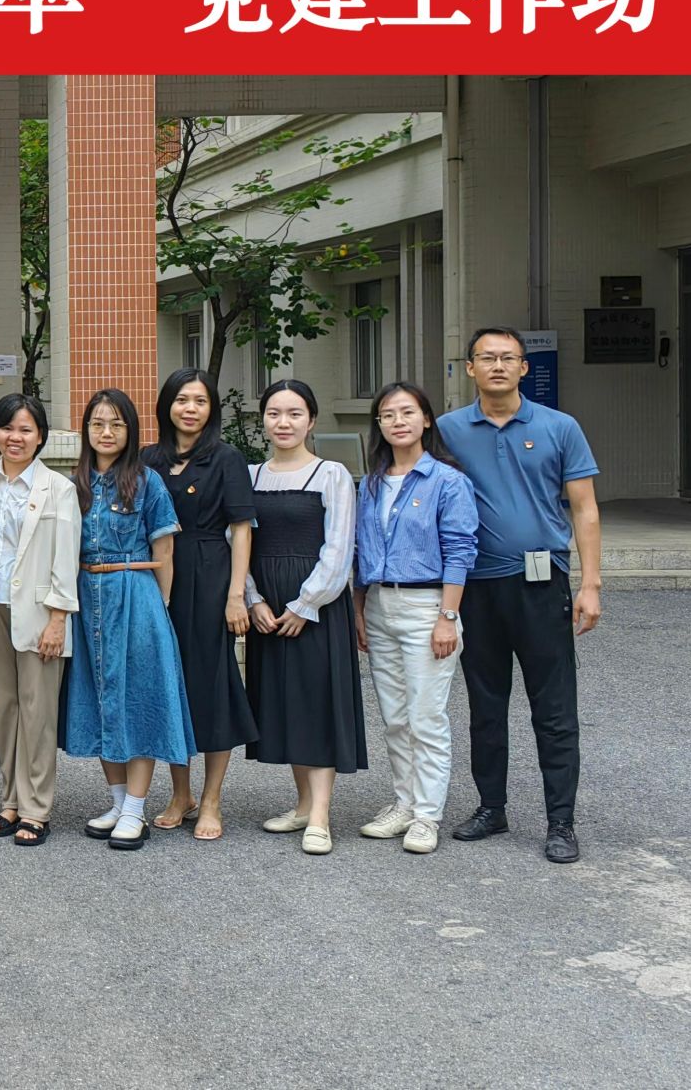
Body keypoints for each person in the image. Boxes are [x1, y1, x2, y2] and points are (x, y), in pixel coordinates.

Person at [437, 327, 601, 864]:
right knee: (486, 705)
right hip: (477, 587)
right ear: (470, 367)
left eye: (509, 358)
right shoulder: (448, 430)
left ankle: (561, 822)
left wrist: (590, 583)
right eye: (487, 357)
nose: (498, 366)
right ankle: (492, 807)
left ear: (524, 368)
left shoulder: (559, 427)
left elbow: (585, 509)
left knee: (554, 708)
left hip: (541, 583)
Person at [61, 388, 194, 852]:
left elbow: (165, 550)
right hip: (86, 597)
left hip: (135, 594)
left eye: (116, 424)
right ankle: (118, 803)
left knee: (138, 699)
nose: (106, 432)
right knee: (99, 697)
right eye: (98, 423)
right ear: (86, 430)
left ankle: (136, 808)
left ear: (131, 430)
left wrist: (159, 607)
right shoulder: (73, 484)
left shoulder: (147, 481)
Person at [354, 382, 477, 856]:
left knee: (426, 716)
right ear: (379, 425)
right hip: (380, 605)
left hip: (428, 607)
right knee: (394, 717)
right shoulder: (370, 483)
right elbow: (361, 550)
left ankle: (427, 815)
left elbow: (461, 551)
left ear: (426, 419)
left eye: (407, 412)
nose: (398, 421)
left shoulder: (447, 481)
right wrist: (359, 610)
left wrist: (448, 616)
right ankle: (403, 803)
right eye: (388, 415)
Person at [244, 379, 365, 857]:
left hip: (315, 606)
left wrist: (305, 604)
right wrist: (253, 599)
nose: (284, 422)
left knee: (317, 703)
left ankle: (320, 816)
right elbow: (239, 543)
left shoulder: (330, 474)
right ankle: (301, 804)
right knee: (286, 704)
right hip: (266, 607)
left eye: (294, 413)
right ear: (263, 420)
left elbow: (339, 547)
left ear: (311, 420)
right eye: (274, 413)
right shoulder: (250, 475)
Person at [142, 369, 257, 841]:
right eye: (182, 400)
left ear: (212, 410)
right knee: (171, 684)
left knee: (211, 686)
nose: (190, 409)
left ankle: (211, 799)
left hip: (210, 575)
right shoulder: (148, 459)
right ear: (167, 405)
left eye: (200, 401)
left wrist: (236, 595)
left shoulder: (226, 458)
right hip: (157, 576)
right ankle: (180, 794)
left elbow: (243, 529)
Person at [0, 393, 80, 849]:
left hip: (38, 611)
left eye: (25, 429)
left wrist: (58, 618)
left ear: (40, 437)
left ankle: (36, 808)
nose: (15, 437)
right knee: (5, 709)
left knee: (38, 712)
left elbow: (66, 558)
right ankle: (10, 800)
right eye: (7, 428)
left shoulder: (59, 488)